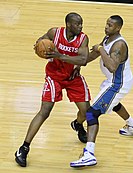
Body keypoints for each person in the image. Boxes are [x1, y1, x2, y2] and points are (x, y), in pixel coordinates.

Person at [15, 12, 91, 167]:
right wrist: (39, 46)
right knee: (45, 111)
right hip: (54, 76)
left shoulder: (83, 38)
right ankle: (23, 148)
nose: (81, 26)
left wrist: (60, 56)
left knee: (87, 112)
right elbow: (41, 41)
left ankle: (77, 124)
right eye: (78, 24)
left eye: (82, 23)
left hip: (72, 77)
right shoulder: (54, 33)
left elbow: (83, 60)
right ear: (69, 25)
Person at [70, 15, 133, 168]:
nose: (106, 27)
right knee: (113, 104)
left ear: (118, 28)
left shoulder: (119, 45)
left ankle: (89, 154)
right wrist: (81, 63)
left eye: (110, 25)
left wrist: (101, 48)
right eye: (106, 24)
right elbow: (96, 53)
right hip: (113, 82)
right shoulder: (108, 38)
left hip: (118, 84)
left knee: (91, 113)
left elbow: (111, 66)